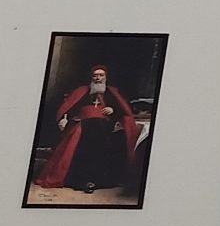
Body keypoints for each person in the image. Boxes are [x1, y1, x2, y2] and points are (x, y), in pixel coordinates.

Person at [34, 63, 140, 193]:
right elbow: (69, 108)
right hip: (83, 126)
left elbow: (124, 111)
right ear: (91, 77)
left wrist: (113, 110)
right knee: (84, 140)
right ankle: (82, 180)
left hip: (106, 128)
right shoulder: (82, 91)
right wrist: (64, 118)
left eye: (101, 75)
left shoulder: (112, 92)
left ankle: (98, 180)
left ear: (106, 77)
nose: (98, 78)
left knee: (108, 140)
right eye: (95, 76)